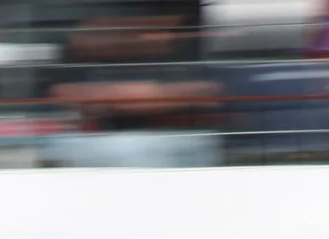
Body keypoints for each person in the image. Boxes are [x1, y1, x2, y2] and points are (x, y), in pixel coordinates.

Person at [47, 11, 221, 169]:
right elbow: (67, 93)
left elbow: (207, 90)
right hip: (118, 145)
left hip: (161, 144)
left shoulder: (176, 62)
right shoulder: (78, 68)